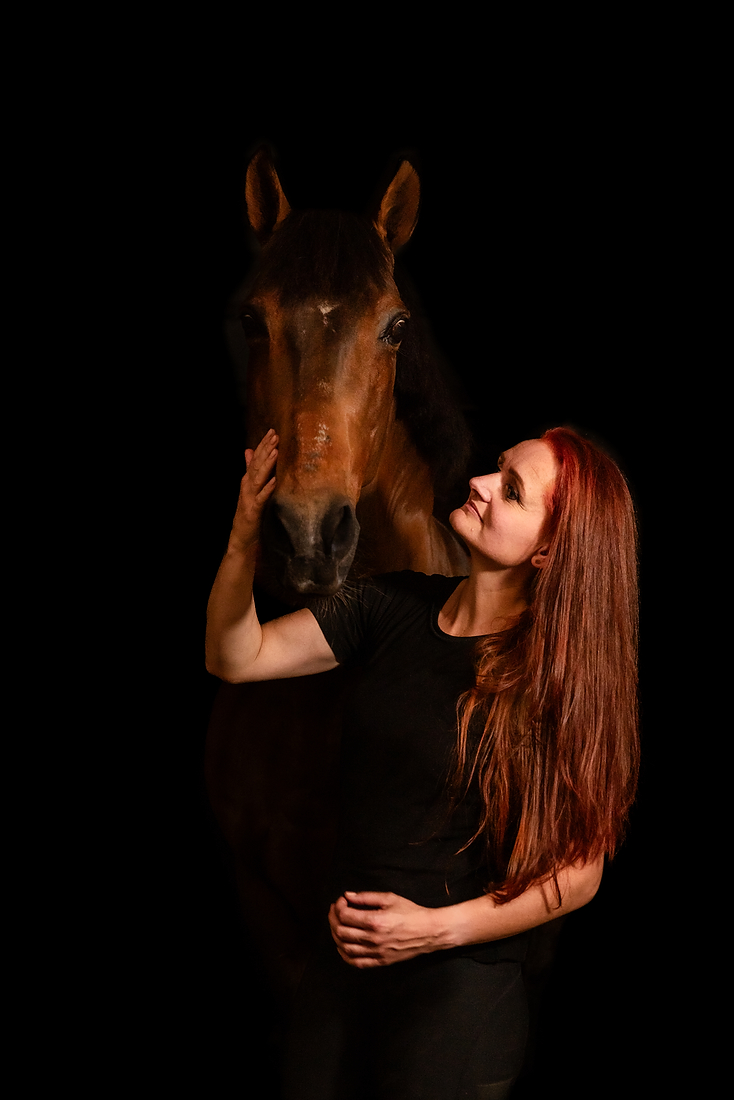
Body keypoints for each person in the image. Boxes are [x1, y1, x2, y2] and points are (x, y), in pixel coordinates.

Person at [206, 426, 639, 1100]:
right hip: (337, 980)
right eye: (499, 468)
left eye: (512, 491)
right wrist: (240, 539)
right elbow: (234, 656)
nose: (482, 483)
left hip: (457, 1002)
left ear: (550, 550)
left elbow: (579, 877)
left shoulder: (550, 680)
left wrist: (434, 930)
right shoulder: (389, 606)